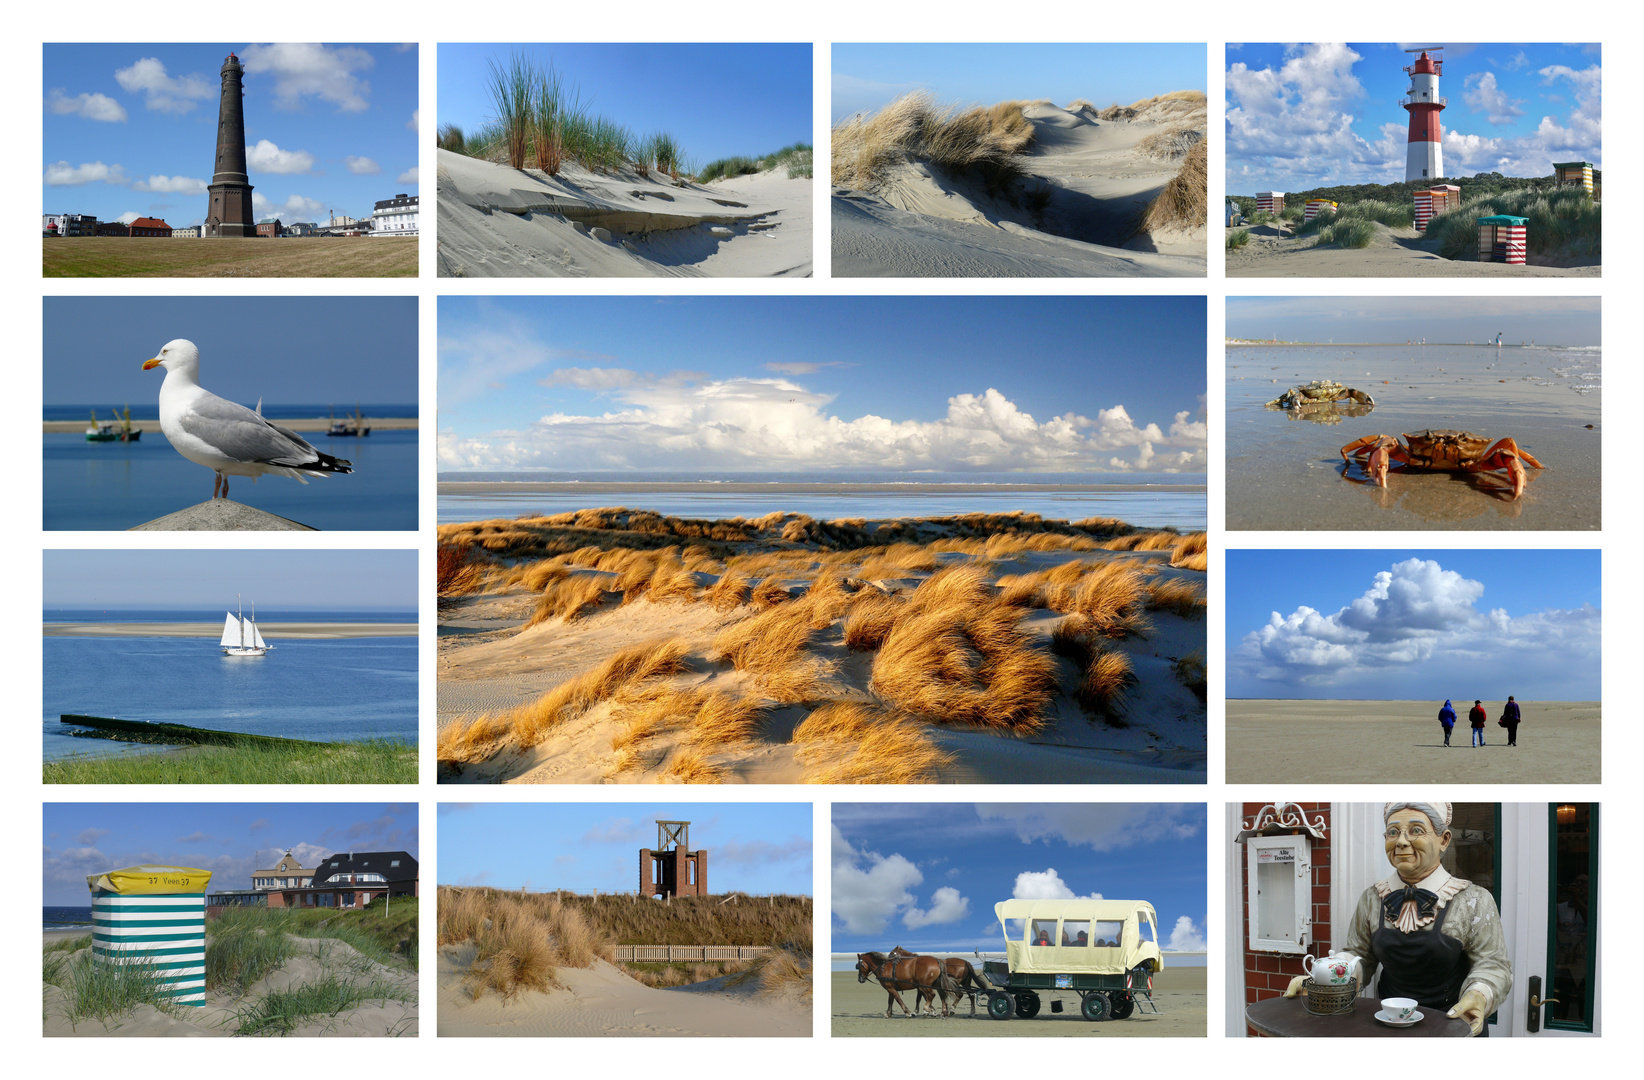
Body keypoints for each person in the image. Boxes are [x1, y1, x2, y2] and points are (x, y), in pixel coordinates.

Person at [1284, 802, 1511, 1036]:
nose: (1401, 841)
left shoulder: (1472, 900)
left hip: (1452, 1028)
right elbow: (1359, 955)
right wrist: (1325, 982)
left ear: (1443, 840)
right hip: (1388, 1027)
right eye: (1393, 832)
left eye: (1416, 830)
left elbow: (1492, 964)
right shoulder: (1372, 898)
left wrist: (1478, 995)